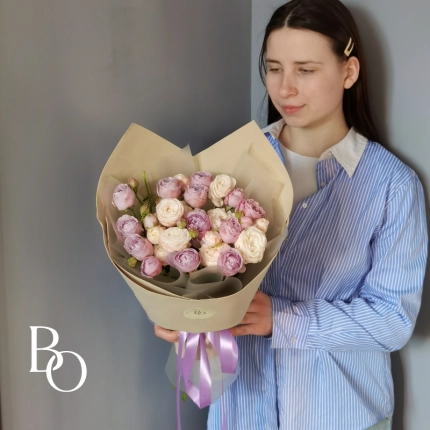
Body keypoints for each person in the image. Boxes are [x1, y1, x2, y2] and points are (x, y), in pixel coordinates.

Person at [155, 0, 428, 429]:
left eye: (305, 70)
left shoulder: (392, 186)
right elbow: (195, 278)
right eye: (274, 68)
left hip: (340, 415)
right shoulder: (228, 166)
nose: (285, 89)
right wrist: (180, 315)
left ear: (348, 72)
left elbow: (393, 320)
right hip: (239, 413)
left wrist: (280, 321)